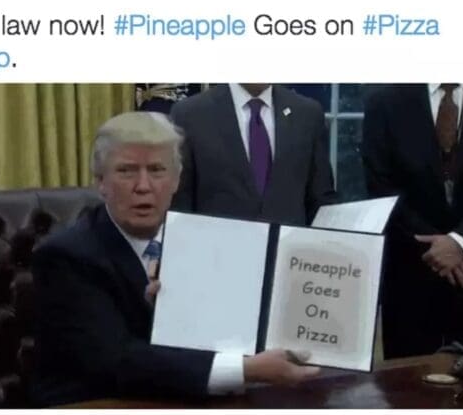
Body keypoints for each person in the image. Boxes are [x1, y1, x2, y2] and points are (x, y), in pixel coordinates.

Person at [32, 111, 320, 406]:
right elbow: (117, 361)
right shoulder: (66, 257)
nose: (143, 186)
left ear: (176, 180)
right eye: (127, 171)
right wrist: (245, 370)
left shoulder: (206, 245)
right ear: (100, 182)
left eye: (157, 170)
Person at [361, 84, 463, 359]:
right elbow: (381, 187)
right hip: (411, 277)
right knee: (407, 381)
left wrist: (461, 241)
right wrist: (440, 248)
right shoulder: (383, 100)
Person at [170, 83, 335, 226]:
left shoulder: (307, 114)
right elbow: (180, 202)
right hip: (216, 248)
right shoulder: (191, 114)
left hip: (287, 249)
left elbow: (320, 200)